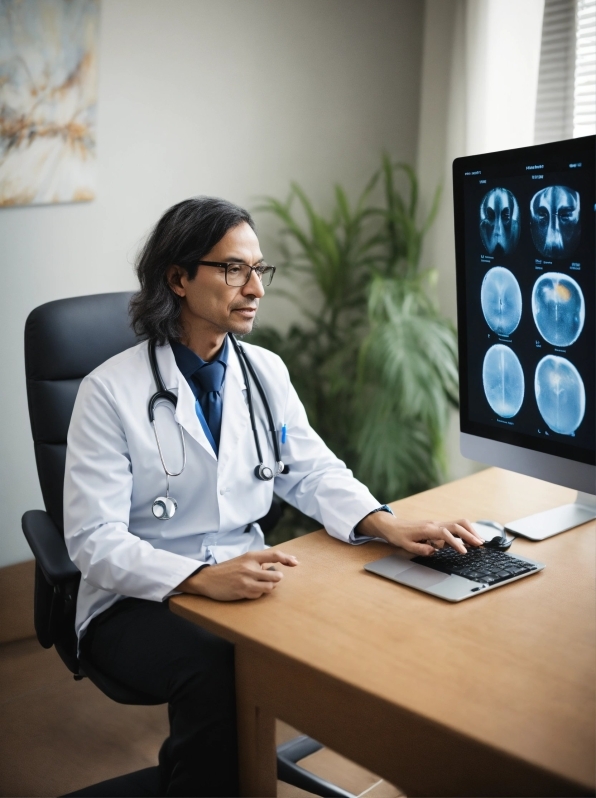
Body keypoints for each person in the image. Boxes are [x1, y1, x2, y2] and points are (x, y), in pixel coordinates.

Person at [64, 197, 483, 797]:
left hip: (245, 577)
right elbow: (92, 541)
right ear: (178, 279)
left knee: (368, 611)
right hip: (135, 597)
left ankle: (204, 763)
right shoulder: (108, 392)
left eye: (261, 269)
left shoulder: (265, 373)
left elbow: (310, 471)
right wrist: (196, 577)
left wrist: (384, 522)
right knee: (214, 664)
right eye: (234, 269)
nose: (256, 287)